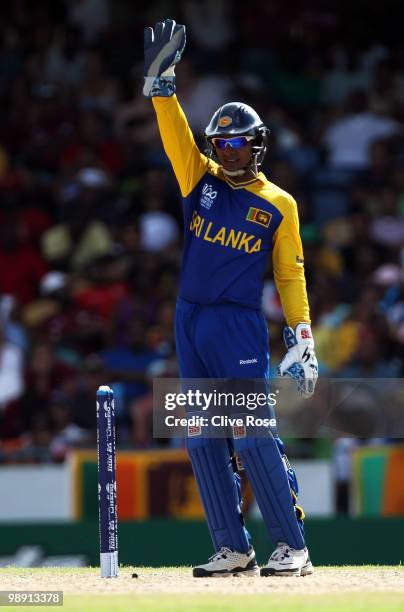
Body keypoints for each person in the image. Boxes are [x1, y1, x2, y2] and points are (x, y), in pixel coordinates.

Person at [143, 19, 318, 577]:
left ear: (259, 144)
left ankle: (292, 546)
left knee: (253, 435)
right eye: (223, 143)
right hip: (189, 320)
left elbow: (290, 276)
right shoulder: (202, 180)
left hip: (238, 327)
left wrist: (303, 334)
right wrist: (163, 86)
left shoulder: (279, 205)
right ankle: (232, 547)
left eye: (241, 142)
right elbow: (176, 138)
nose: (231, 151)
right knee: (201, 437)